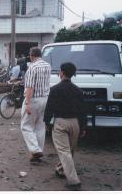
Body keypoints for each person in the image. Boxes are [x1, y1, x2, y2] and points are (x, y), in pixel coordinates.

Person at [44, 62, 86, 190]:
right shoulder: (78, 90)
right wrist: (83, 127)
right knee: (70, 151)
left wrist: (47, 122)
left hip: (60, 123)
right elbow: (83, 110)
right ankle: (61, 170)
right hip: (75, 123)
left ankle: (74, 182)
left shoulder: (55, 89)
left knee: (64, 152)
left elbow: (49, 108)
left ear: (61, 72)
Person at [20, 47, 51, 162]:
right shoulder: (48, 66)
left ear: (31, 55)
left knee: (26, 126)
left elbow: (30, 87)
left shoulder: (32, 67)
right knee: (40, 127)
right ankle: (38, 152)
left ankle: (35, 149)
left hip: (33, 99)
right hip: (45, 99)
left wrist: (27, 103)